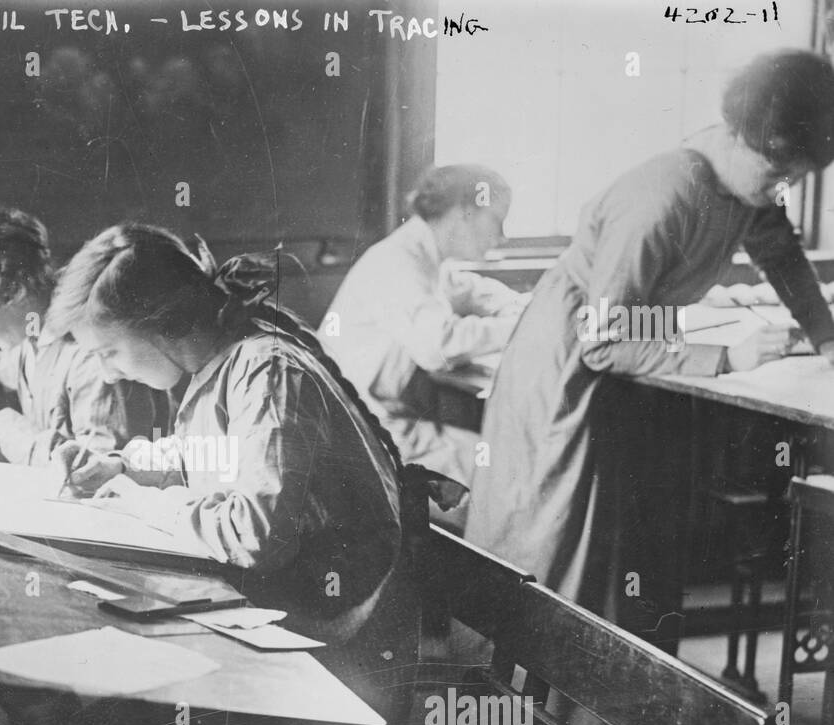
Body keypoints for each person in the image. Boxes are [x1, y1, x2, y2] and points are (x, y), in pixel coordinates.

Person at [465, 49, 834, 636]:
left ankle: (607, 711)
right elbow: (603, 340)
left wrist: (826, 338)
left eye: (796, 179)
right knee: (556, 542)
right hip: (566, 363)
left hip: (625, 352)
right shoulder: (661, 198)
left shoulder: (749, 186)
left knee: (622, 554)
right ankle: (532, 709)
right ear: (736, 137)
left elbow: (782, 255)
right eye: (776, 175)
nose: (781, 190)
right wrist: (725, 357)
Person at [45, 223, 435, 678]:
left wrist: (148, 504)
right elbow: (209, 456)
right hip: (288, 601)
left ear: (162, 324)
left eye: (109, 352)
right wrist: (121, 468)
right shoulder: (223, 361)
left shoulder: (267, 373)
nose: (108, 375)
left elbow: (256, 536)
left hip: (335, 637)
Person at [0, 206, 172, 465]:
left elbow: (96, 469)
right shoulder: (33, 334)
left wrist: (1, 427)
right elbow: (2, 380)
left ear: (14, 293)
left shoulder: (95, 356)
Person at [320, 164, 528, 491]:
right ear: (464, 213)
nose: (502, 236)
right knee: (510, 471)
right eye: (497, 220)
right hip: (365, 434)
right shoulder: (398, 262)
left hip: (377, 420)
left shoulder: (422, 255)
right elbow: (438, 346)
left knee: (503, 458)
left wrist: (522, 306)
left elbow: (471, 291)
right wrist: (519, 327)